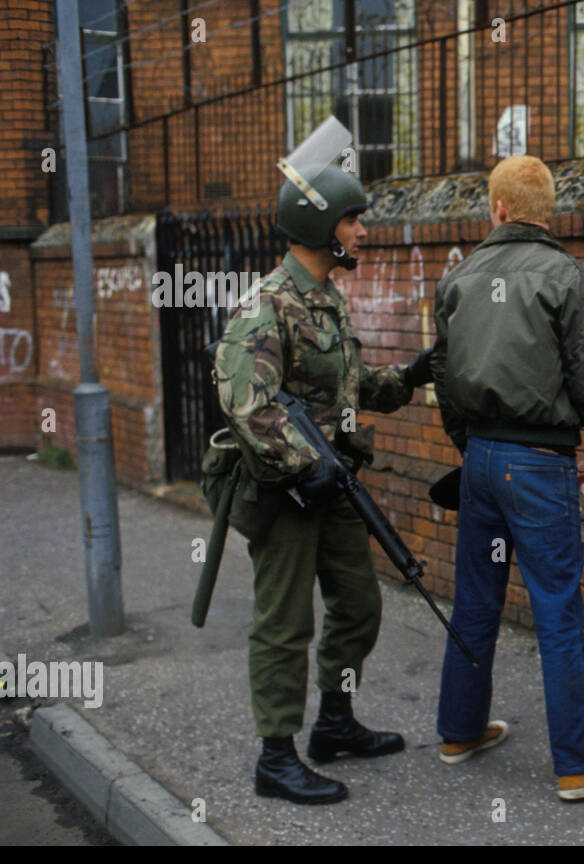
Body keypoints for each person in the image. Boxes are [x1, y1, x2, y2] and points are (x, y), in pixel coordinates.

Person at [213, 120, 437, 804]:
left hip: (333, 482)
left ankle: (335, 722)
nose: (363, 232)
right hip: (284, 490)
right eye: (352, 221)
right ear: (320, 227)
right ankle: (276, 755)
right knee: (284, 623)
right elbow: (245, 400)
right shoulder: (266, 305)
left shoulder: (327, 302)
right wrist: (298, 460)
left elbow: (352, 386)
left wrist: (413, 374)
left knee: (360, 604)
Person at [430, 154, 584, 801]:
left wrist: (467, 443)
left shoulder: (461, 277)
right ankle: (580, 763)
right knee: (558, 610)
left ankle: (459, 730)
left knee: (475, 601)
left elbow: (442, 374)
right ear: (546, 211)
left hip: (479, 460)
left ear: (497, 210)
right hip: (538, 462)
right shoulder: (565, 276)